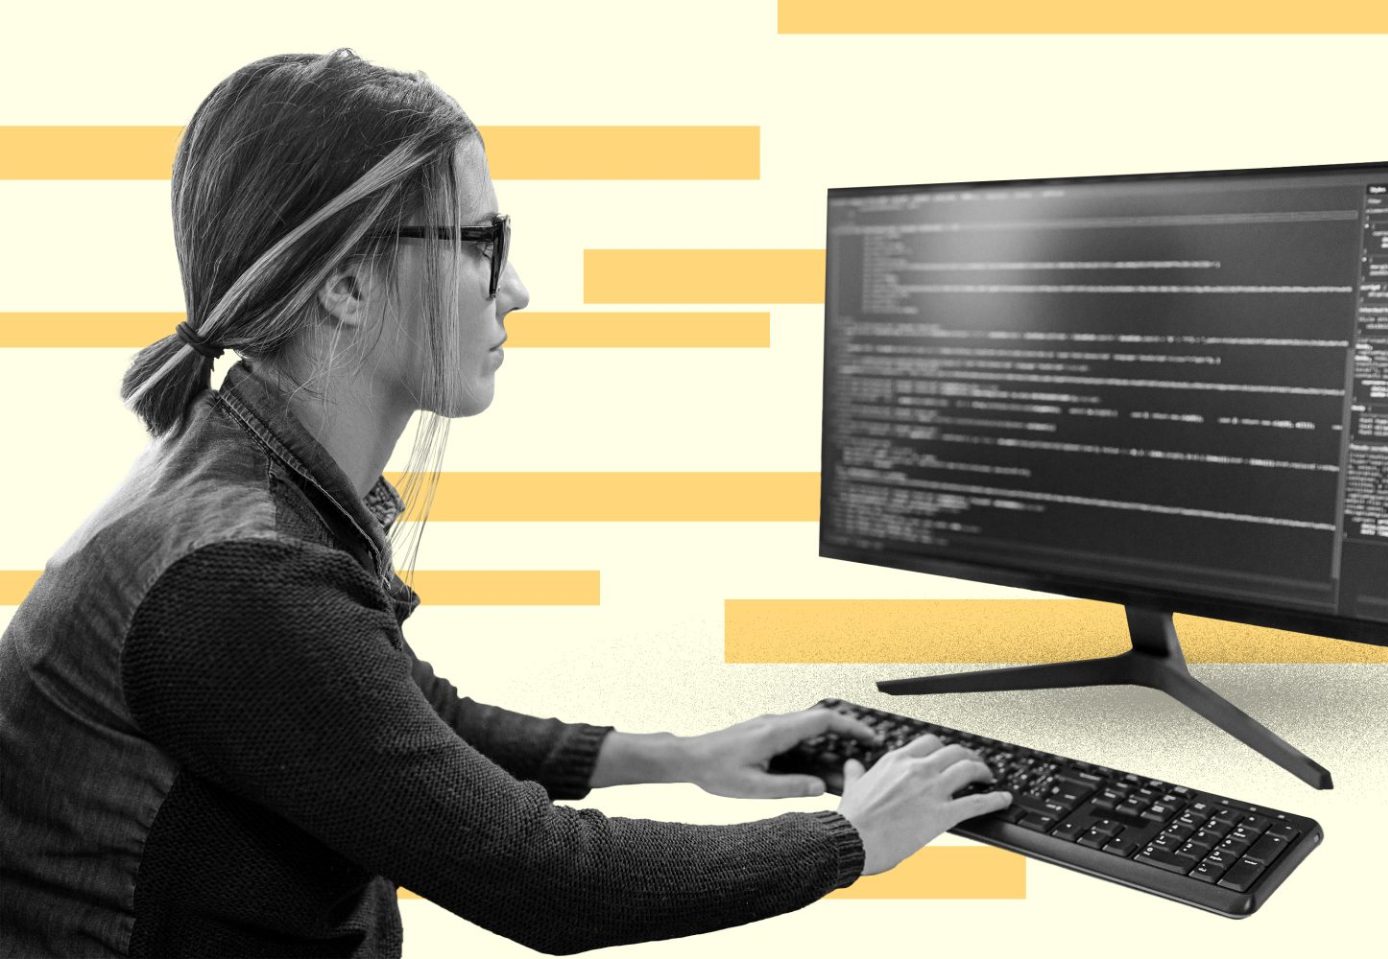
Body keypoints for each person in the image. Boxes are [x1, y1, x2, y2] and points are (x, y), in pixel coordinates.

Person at [0, 49, 1012, 958]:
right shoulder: (239, 576)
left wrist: (681, 755)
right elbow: (546, 880)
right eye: (482, 241)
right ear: (346, 281)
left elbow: (395, 716)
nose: (517, 288)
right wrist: (848, 838)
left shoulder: (237, 483)